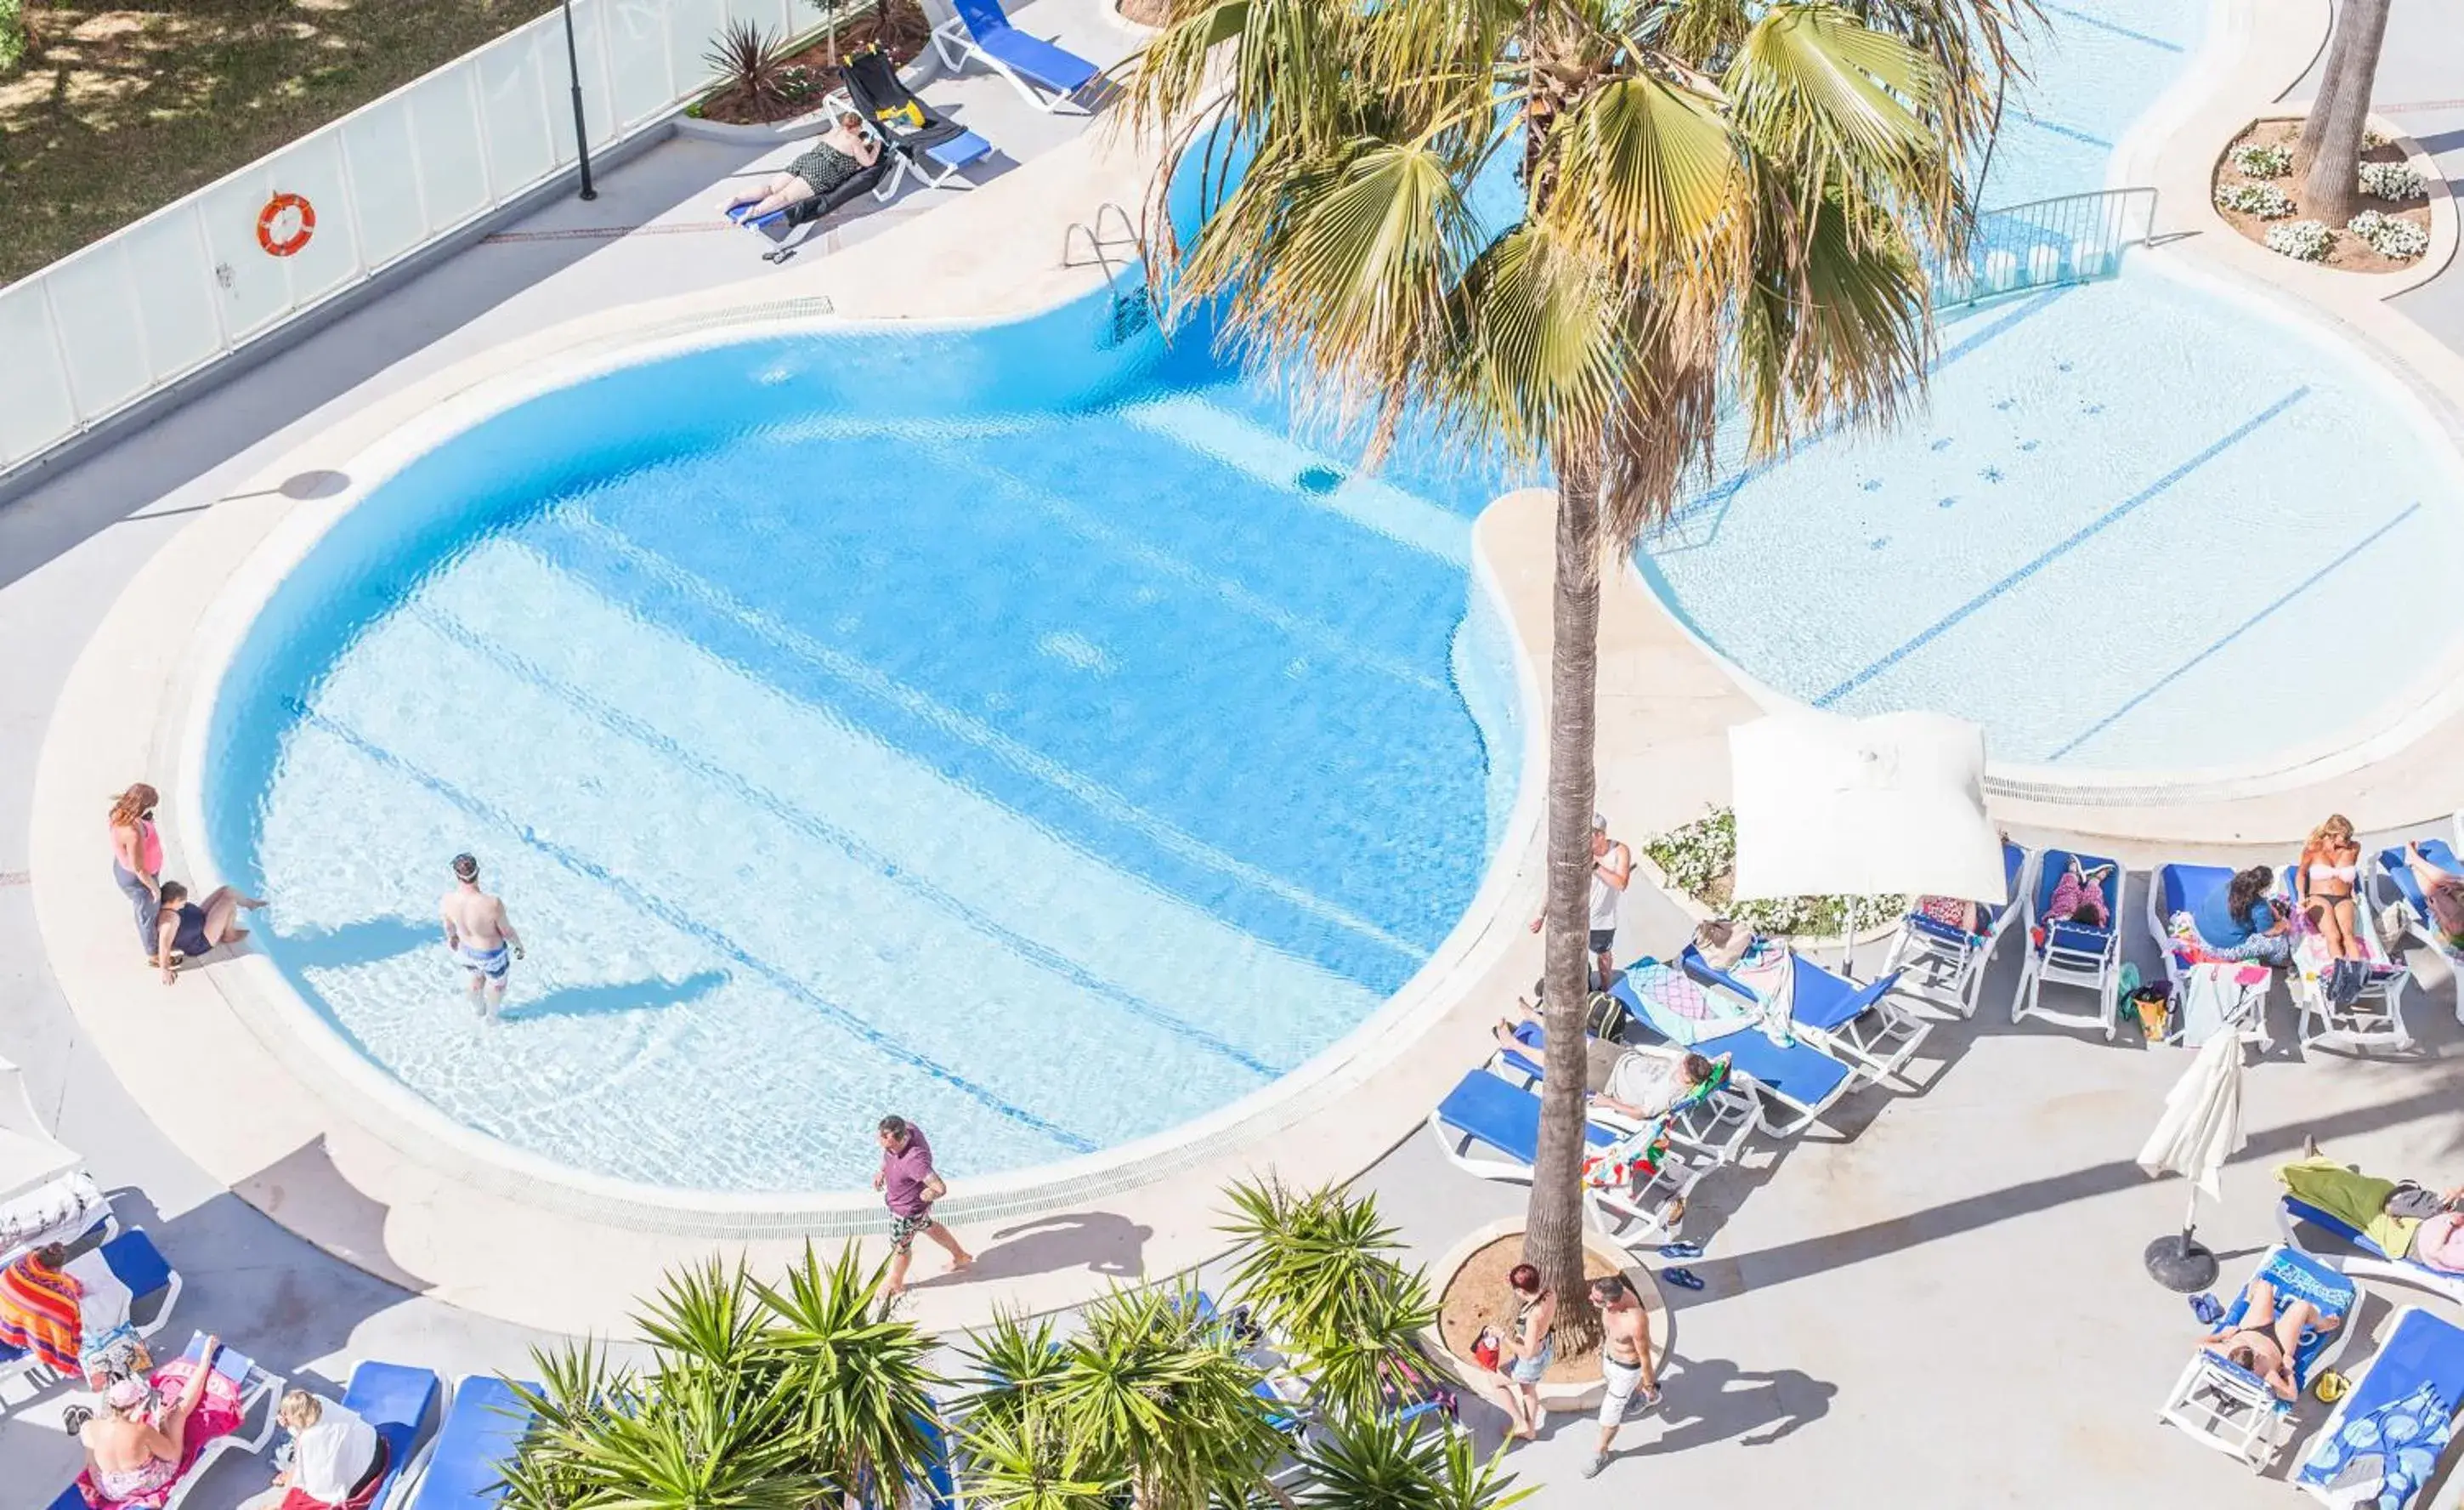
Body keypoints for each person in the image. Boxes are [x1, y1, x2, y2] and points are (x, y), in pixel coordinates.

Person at [1488, 1000, 1717, 1121]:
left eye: (1682, 1068)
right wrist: (1637, 1052)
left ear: (1687, 1078)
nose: (1680, 1064)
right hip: (1622, 1057)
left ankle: (1512, 1044)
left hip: (1609, 1081)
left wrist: (1608, 1103)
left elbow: (1640, 1113)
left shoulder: (1665, 1096)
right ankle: (1536, 1018)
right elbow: (1718, 1064)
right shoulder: (1692, 1068)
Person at [78, 1335, 227, 1506]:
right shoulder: (141, 1431)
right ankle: (205, 1361)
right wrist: (162, 1424)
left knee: (144, 1440)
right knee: (176, 1416)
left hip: (110, 1491)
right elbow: (171, 1454)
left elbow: (93, 1467)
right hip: (143, 1484)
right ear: (136, 1405)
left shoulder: (89, 1428)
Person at [2199, 1274, 2342, 1402]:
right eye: (2257, 1356)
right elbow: (2292, 1395)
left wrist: (2222, 1335)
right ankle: (2323, 1324)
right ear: (2253, 1368)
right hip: (2279, 1342)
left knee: (2264, 1285)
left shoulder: (2223, 1353)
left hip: (2250, 1328)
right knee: (2302, 1307)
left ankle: (2248, 1300)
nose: (2258, 1352)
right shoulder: (2266, 1375)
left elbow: (2199, 1343)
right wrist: (2287, 1370)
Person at [1529, 811, 1633, 986]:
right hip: (1574, 920)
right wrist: (1541, 916)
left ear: (1600, 835)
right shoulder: (1575, 852)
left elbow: (1621, 884)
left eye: (1587, 835)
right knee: (1571, 958)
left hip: (1602, 922)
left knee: (1604, 958)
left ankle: (1606, 990)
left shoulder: (1619, 851)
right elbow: (1554, 884)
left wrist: (1595, 866)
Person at [236, 1389, 386, 1510]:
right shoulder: (320, 1400)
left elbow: (302, 1475)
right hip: (376, 1446)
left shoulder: (309, 1440)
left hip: (364, 1476)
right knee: (287, 1448)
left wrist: (280, 1503)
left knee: (283, 1457)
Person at [875, 1115, 971, 1297]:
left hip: (907, 1211)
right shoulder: (908, 1128)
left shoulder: (915, 1161)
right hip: (915, 1210)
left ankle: (896, 1282)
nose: (886, 1149)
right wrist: (882, 1170)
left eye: (889, 1146)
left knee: (900, 1247)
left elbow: (940, 1187)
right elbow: (888, 1155)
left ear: (901, 1138)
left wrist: (931, 1193)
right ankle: (961, 1256)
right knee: (926, 1225)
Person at [722, 114, 882, 223]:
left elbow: (822, 141)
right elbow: (868, 162)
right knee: (785, 197)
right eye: (860, 128)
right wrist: (876, 146)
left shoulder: (835, 130)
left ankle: (737, 199)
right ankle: (754, 212)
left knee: (772, 188)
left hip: (808, 159)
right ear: (855, 128)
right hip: (822, 171)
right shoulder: (854, 140)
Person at [1583, 1274, 1661, 1478]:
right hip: (1609, 1359)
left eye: (1597, 1300)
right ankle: (1640, 1394)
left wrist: (1650, 1384)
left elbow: (1644, 1357)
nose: (1591, 1300)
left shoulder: (1634, 1320)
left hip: (1627, 1369)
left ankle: (1600, 1452)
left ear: (1611, 1302)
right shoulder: (1615, 1289)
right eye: (1593, 1294)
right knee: (1615, 1388)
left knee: (1609, 1413)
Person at [439, 853, 524, 1019]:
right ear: (478, 871)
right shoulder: (492, 903)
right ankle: (492, 1019)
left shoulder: (447, 899)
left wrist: (452, 938)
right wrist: (519, 946)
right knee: (497, 985)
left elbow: (448, 927)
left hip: (466, 951)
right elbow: (506, 932)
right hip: (491, 955)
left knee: (476, 979)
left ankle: (478, 1011)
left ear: (457, 876)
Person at [155, 881, 267, 985]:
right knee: (229, 902)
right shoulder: (169, 922)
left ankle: (250, 904)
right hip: (201, 939)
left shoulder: (167, 904)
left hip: (198, 918)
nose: (184, 902)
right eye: (181, 901)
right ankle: (229, 934)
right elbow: (164, 944)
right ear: (171, 902)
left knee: (227, 890)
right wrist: (164, 969)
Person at [1491, 1262, 1555, 1444]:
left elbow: (1528, 1353)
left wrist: (1502, 1337)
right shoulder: (1549, 1293)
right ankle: (1531, 1431)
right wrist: (1515, 1282)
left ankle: (1520, 1423)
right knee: (1528, 1391)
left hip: (1530, 1361)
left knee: (1495, 1381)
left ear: (1522, 1291)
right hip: (1546, 1348)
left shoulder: (1534, 1318)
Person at [108, 783, 167, 966]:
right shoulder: (132, 833)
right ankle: (154, 955)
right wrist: (154, 889)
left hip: (135, 871)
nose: (152, 810)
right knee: (146, 914)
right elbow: (139, 868)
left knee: (149, 911)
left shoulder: (122, 812)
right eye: (149, 807)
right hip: (139, 880)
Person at [2296, 814, 2365, 961]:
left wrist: (2352, 890)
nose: (2349, 840)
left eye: (2350, 836)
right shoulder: (2314, 849)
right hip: (2318, 897)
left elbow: (2351, 872)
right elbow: (2301, 874)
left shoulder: (2354, 848)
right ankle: (2339, 972)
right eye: (2345, 837)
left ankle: (2357, 972)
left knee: (2348, 936)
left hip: (2343, 898)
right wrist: (2301, 897)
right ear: (2332, 835)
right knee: (2333, 936)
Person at [2189, 865, 2291, 966]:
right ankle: (2278, 964)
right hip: (2218, 949)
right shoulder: (2260, 907)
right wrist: (2284, 923)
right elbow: (2269, 932)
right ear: (2264, 889)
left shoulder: (2229, 885)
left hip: (2197, 931)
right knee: (2280, 943)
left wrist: (2270, 909)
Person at [2400, 842, 2464, 948]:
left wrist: (2437, 910)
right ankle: (2414, 860)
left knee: (2436, 894)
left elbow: (2452, 932)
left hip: (2448, 933)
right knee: (2452, 881)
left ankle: (2413, 863)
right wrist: (2459, 884)